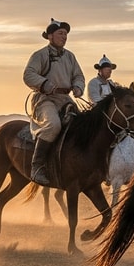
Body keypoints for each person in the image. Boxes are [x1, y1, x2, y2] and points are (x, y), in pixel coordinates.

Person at [22, 19, 85, 186]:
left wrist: (78, 87)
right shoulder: (40, 55)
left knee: (85, 126)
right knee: (54, 125)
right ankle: (37, 166)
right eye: (60, 33)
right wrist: (45, 83)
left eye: (65, 34)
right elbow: (28, 74)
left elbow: (78, 75)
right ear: (50, 36)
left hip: (65, 99)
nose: (64, 37)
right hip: (44, 99)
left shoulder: (70, 56)